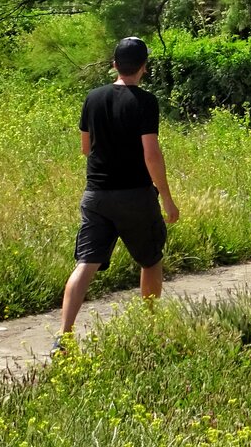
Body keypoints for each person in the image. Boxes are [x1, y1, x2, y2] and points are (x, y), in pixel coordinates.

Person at [56, 36, 180, 349]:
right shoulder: (145, 101)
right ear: (144, 67)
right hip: (135, 195)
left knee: (86, 263)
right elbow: (151, 153)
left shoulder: (93, 97)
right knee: (150, 260)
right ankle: (150, 327)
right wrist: (166, 197)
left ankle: (64, 337)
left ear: (114, 65)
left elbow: (86, 148)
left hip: (96, 195)